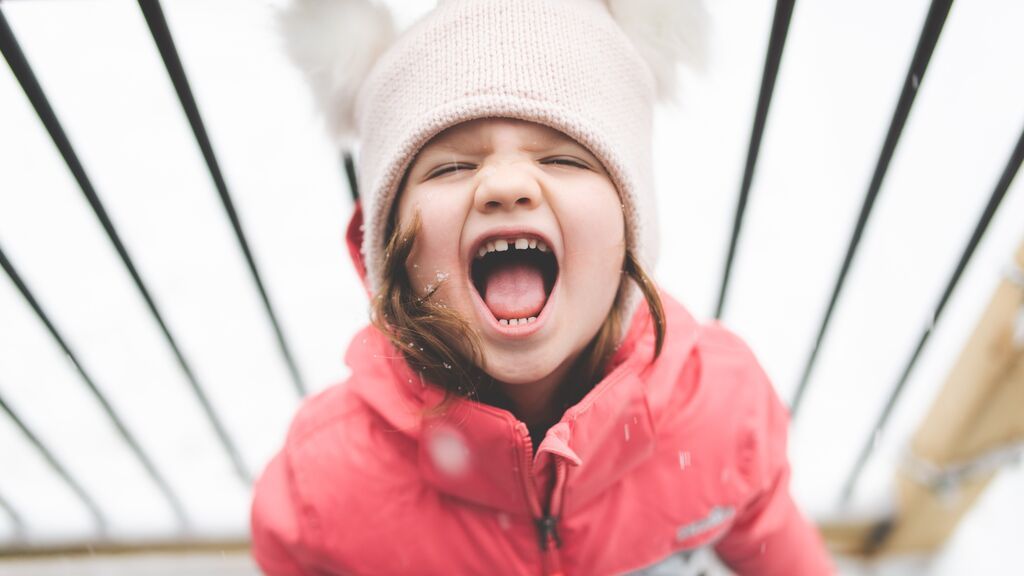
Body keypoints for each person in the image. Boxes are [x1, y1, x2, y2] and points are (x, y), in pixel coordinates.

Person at [251, 0, 835, 574]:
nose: (506, 184)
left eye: (563, 159)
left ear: (631, 227)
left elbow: (771, 538)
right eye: (452, 167)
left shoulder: (719, 413)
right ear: (388, 249)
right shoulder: (327, 483)